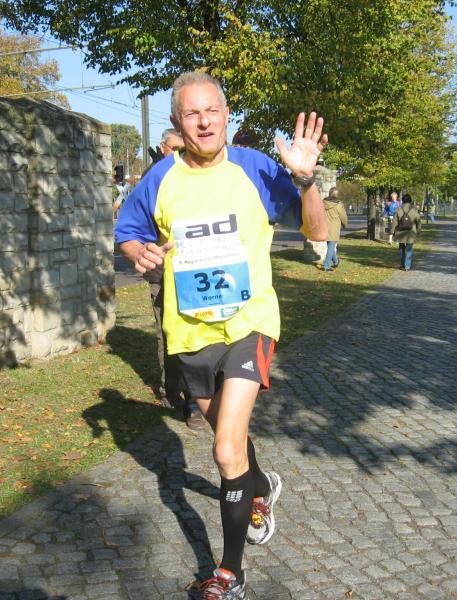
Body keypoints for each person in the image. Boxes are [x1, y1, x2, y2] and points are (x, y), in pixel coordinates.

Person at [115, 70, 328, 600]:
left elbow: (317, 230)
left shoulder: (255, 168)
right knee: (229, 443)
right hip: (190, 333)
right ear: (177, 121)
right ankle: (261, 486)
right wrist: (138, 253)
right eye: (192, 113)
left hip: (249, 323)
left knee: (225, 448)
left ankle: (228, 575)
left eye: (212, 110)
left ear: (227, 116)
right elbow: (128, 234)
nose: (204, 121)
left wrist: (305, 180)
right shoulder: (159, 178)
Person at [142, 129, 206, 430]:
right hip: (162, 272)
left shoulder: (199, 176)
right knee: (169, 333)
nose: (182, 153)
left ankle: (196, 399)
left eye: (185, 147)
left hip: (195, 269)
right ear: (163, 148)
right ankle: (173, 391)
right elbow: (136, 226)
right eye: (176, 148)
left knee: (199, 332)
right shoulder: (154, 177)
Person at [391, 193, 422, 271]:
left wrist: (392, 232)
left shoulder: (398, 209)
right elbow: (418, 221)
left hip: (400, 232)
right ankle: (407, 266)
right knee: (409, 249)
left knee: (401, 248)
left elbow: (394, 222)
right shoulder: (414, 210)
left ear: (403, 200)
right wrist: (418, 230)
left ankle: (402, 264)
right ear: (410, 201)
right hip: (411, 233)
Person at [320, 187, 348, 271]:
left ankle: (336, 261)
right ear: (336, 195)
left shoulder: (323, 203)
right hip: (334, 228)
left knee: (330, 246)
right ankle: (326, 266)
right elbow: (343, 216)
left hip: (324, 227)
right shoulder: (338, 205)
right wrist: (345, 224)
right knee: (331, 247)